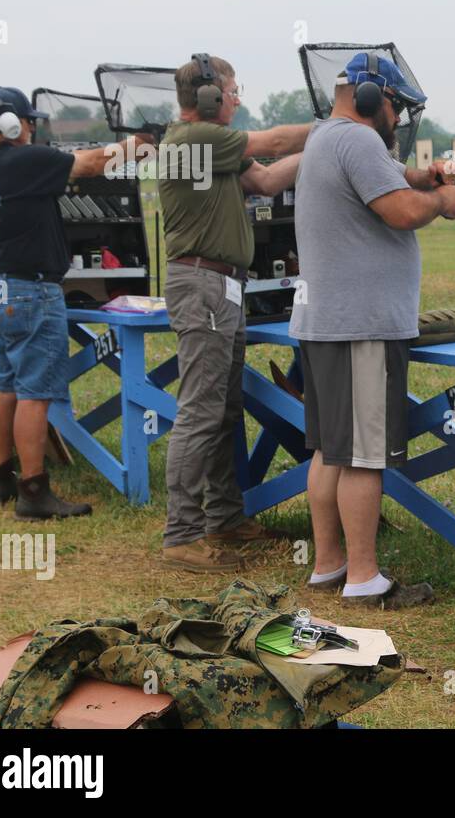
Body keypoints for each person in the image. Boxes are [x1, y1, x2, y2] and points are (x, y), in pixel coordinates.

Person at [291, 52, 455, 607]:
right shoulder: (360, 140)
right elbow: (401, 211)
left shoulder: (326, 136)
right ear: (373, 98)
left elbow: (394, 180)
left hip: (326, 323)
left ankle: (328, 565)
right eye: (395, 106)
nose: (398, 119)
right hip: (360, 325)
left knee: (330, 452)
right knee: (365, 454)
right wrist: (443, 198)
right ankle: (364, 578)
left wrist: (423, 176)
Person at [158, 53, 310, 572]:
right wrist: (338, 127)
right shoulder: (194, 139)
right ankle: (181, 533)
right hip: (202, 284)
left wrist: (324, 149)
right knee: (200, 410)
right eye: (231, 90)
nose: (237, 98)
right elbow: (274, 143)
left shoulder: (212, 147)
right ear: (207, 97)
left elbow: (267, 180)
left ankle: (223, 517)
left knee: (222, 409)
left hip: (220, 284)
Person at [0, 87, 137, 518]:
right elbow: (91, 162)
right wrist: (134, 146)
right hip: (31, 292)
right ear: (10, 124)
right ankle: (33, 490)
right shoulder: (23, 160)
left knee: (6, 386)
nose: (31, 127)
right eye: (27, 120)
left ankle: (0, 477)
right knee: (35, 394)